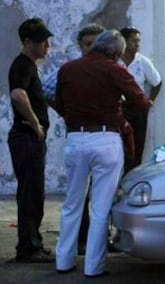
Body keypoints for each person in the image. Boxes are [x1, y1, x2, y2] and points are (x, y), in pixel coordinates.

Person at [54, 30, 149, 277]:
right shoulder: (114, 69)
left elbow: (60, 104)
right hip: (106, 139)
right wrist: (118, 112)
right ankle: (93, 267)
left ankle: (63, 261)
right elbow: (140, 101)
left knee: (72, 203)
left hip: (75, 138)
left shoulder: (68, 69)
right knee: (100, 206)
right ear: (117, 53)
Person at [42, 23, 105, 255]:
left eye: (97, 44)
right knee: (77, 196)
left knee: (101, 195)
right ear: (80, 46)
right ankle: (79, 242)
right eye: (88, 45)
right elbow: (45, 88)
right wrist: (66, 110)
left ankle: (99, 243)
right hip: (78, 135)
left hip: (105, 136)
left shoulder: (112, 67)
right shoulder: (71, 69)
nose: (93, 49)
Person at [7, 17, 55, 263]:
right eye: (42, 42)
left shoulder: (27, 64)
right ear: (27, 42)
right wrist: (36, 123)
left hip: (27, 139)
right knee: (31, 195)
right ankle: (28, 249)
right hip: (27, 138)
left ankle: (32, 243)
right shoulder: (23, 64)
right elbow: (17, 94)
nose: (47, 45)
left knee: (33, 193)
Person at [119, 26, 162, 169]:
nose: (137, 44)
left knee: (136, 148)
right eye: (134, 41)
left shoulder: (142, 62)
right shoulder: (114, 61)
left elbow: (157, 82)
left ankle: (131, 181)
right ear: (123, 42)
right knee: (118, 148)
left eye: (139, 41)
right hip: (118, 110)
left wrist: (150, 100)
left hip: (138, 111)